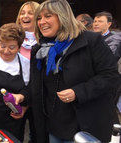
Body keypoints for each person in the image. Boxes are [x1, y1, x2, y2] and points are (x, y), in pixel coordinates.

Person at [29, 0, 119, 142]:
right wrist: (21, 98)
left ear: (63, 16)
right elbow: (37, 87)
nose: (42, 22)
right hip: (54, 126)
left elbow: (110, 76)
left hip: (86, 125)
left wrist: (78, 92)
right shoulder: (39, 49)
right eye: (39, 18)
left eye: (48, 16)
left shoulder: (91, 41)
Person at [15, 1, 39, 142]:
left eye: (30, 12)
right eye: (22, 13)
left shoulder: (45, 39)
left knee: (37, 134)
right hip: (17, 93)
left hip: (37, 96)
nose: (25, 16)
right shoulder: (13, 38)